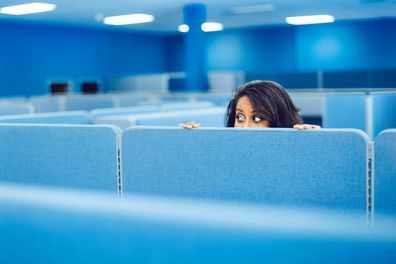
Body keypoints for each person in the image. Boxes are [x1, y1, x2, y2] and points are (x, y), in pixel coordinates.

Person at [180, 80, 321, 129]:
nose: (244, 126)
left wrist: (310, 142)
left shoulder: (291, 154)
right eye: (239, 118)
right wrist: (193, 139)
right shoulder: (228, 151)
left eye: (257, 118)